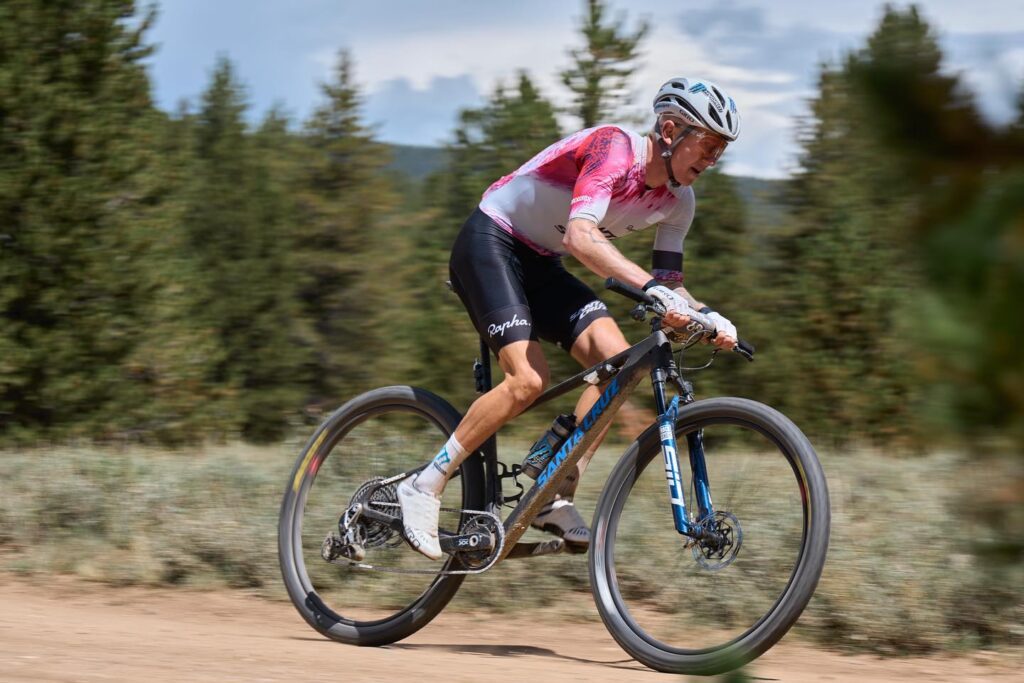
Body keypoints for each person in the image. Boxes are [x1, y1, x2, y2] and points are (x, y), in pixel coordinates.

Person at [398, 77, 742, 560]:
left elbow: (671, 281)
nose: (711, 159)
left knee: (620, 363)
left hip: (541, 262)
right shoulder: (614, 150)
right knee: (528, 380)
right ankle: (423, 484)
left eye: (720, 150)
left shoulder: (677, 202)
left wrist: (708, 316)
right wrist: (655, 290)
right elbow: (582, 237)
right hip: (492, 241)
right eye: (706, 144)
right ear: (669, 130)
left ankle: (555, 490)